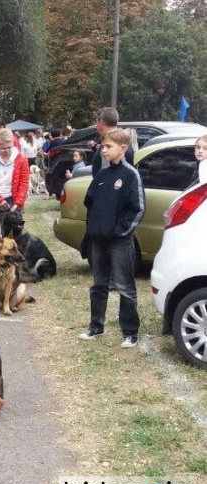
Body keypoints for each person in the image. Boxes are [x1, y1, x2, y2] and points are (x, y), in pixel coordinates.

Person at [78, 129, 144, 348]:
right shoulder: (101, 175)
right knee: (98, 284)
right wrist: (94, 227)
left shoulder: (130, 175)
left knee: (125, 286)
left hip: (119, 241)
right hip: (98, 239)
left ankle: (130, 332)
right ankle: (96, 326)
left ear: (122, 149)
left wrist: (121, 231)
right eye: (103, 147)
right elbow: (90, 201)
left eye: (108, 147)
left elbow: (137, 209)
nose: (104, 151)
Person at [0, 129, 30, 213]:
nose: (7, 151)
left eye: (9, 147)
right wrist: (0, 200)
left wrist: (18, 203)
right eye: (3, 148)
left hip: (13, 199)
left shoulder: (22, 158)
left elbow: (23, 183)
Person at [90, 107, 134, 177]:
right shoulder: (123, 141)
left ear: (101, 121)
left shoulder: (116, 145)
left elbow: (111, 176)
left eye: (96, 122)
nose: (104, 150)